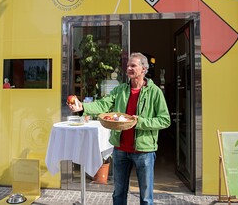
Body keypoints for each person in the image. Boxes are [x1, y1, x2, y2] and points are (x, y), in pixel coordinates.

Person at [67, 52, 170, 205]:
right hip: (121, 149)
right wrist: (82, 107)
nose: (128, 68)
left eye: (133, 65)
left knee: (146, 198)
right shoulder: (120, 90)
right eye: (128, 65)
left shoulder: (155, 92)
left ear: (143, 69)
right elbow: (103, 104)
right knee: (118, 195)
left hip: (144, 151)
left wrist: (139, 122)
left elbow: (164, 120)